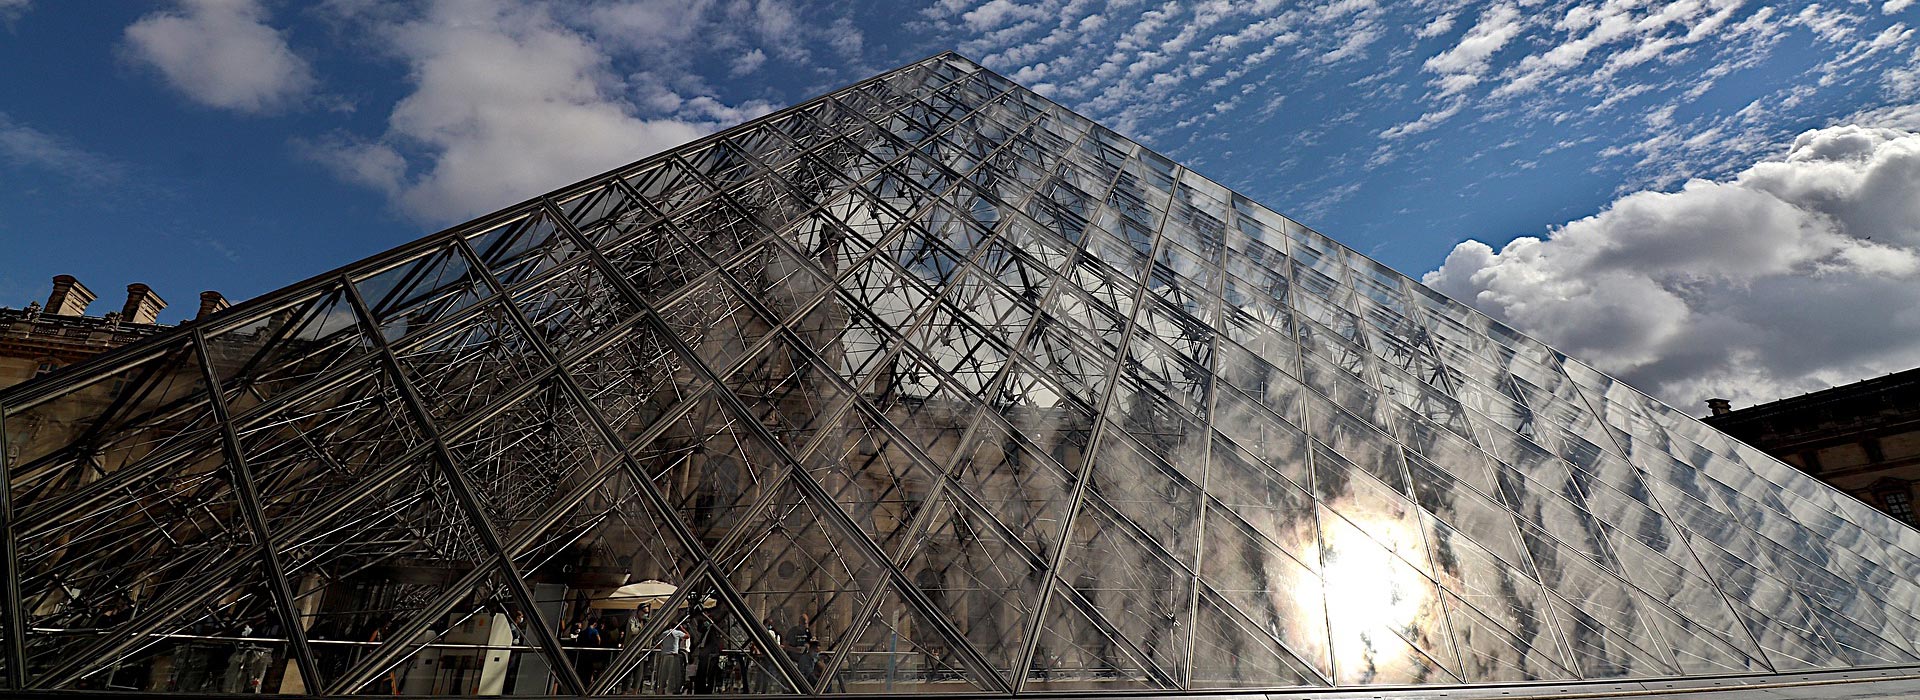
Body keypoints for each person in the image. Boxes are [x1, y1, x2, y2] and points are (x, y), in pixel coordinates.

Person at [655, 622, 688, 695]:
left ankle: (660, 690)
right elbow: (687, 636)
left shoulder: (664, 633)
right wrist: (682, 629)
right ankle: (670, 691)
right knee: (672, 674)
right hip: (673, 655)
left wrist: (663, 648)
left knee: (663, 674)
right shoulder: (677, 632)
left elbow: (658, 643)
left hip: (665, 655)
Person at [782, 614, 815, 685]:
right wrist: (795, 649)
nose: (806, 626)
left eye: (807, 623)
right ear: (800, 622)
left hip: (804, 660)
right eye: (804, 623)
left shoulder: (807, 631)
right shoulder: (793, 631)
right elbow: (785, 645)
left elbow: (810, 642)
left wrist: (808, 645)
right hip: (793, 659)